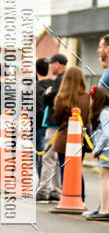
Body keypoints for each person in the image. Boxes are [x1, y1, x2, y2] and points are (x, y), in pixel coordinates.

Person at [52, 66, 89, 202]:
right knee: (77, 169)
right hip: (81, 139)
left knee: (65, 169)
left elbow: (56, 119)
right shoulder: (88, 98)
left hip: (64, 138)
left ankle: (67, 196)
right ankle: (80, 198)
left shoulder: (62, 98)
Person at [37, 53, 67, 203]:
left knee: (48, 157)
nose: (50, 67)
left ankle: (43, 190)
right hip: (57, 124)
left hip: (53, 124)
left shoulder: (61, 81)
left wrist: (46, 94)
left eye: (51, 64)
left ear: (57, 64)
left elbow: (50, 98)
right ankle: (56, 190)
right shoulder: (62, 80)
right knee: (55, 159)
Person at [87, 85, 109, 221]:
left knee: (105, 179)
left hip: (106, 151)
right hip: (106, 151)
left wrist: (97, 149)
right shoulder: (105, 112)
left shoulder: (104, 113)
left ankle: (105, 210)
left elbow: (106, 134)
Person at [35, 58, 52, 178]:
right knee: (51, 158)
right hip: (52, 125)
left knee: (40, 156)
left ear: (35, 70)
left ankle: (42, 184)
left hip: (39, 126)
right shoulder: (54, 84)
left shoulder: (34, 88)